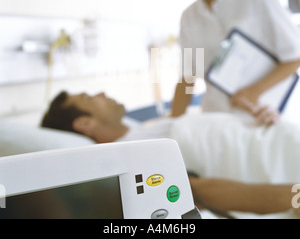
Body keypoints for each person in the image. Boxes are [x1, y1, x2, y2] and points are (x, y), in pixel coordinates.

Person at [41, 90, 300, 217]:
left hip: (282, 137)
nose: (101, 93)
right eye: (88, 97)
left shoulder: (143, 130)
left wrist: (250, 110)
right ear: (84, 123)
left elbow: (186, 84)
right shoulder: (135, 162)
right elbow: (203, 192)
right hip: (286, 171)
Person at [164, 0, 300, 124]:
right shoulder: (188, 18)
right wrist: (172, 126)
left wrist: (255, 90)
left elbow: (295, 56)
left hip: (264, 116)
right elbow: (187, 79)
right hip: (217, 123)